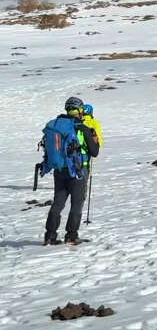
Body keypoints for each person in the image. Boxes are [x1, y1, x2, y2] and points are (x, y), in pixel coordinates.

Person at [43, 96, 101, 246]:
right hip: (77, 171)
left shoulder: (55, 125)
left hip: (60, 169)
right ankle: (71, 235)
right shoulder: (82, 128)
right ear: (80, 110)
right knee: (76, 204)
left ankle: (50, 236)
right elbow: (94, 152)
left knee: (58, 203)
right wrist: (94, 138)